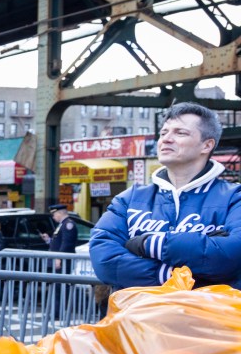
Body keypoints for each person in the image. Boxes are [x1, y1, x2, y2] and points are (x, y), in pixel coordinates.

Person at [90, 101, 241, 291]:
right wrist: (171, 276)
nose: (166, 139)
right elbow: (104, 260)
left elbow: (232, 255)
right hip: (136, 318)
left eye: (180, 133)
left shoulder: (234, 198)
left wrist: (150, 244)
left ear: (207, 145)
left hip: (209, 318)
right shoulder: (128, 199)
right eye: (164, 133)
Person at [42, 204, 78, 271]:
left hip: (63, 261)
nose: (53, 217)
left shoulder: (68, 224)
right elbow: (58, 241)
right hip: (58, 259)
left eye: (54, 214)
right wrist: (48, 240)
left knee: (62, 280)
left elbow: (67, 244)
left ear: (60, 213)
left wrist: (59, 258)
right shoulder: (62, 224)